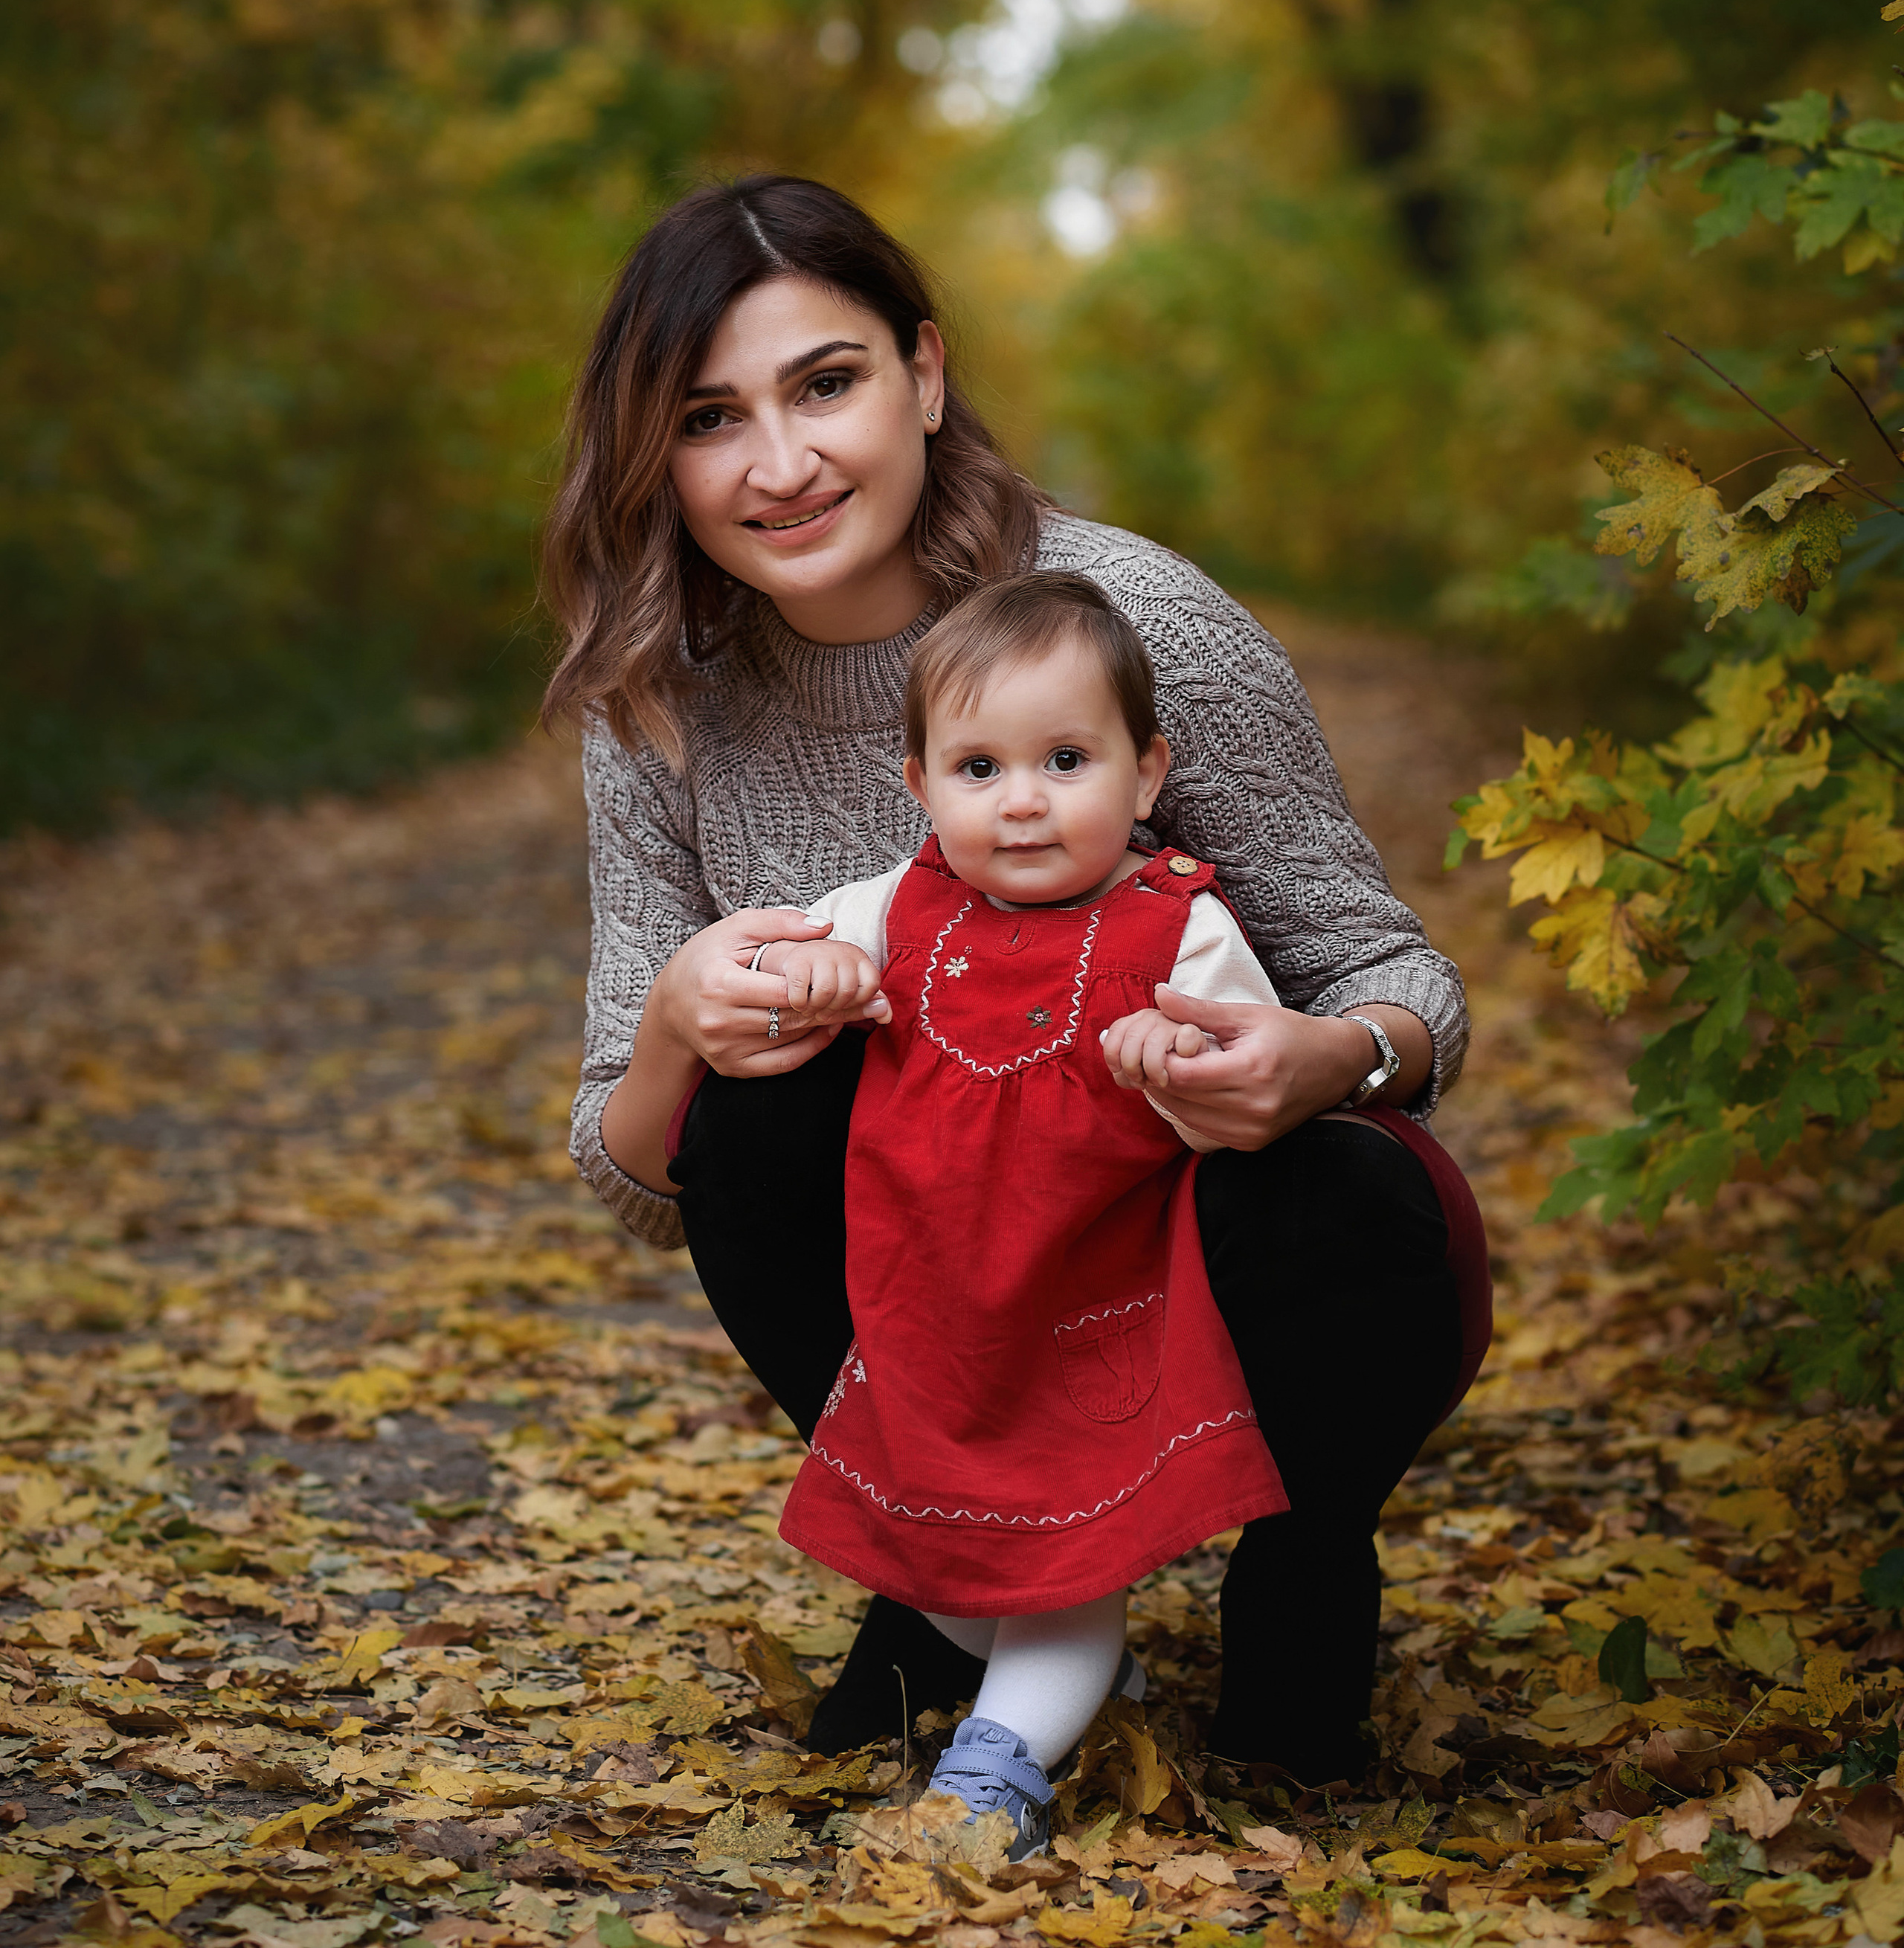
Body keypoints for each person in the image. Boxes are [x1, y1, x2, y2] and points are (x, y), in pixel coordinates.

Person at [544, 173, 1489, 1787]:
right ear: (657, 457)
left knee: (1353, 1196)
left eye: (824, 384)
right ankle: (946, 1566)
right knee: (754, 1117)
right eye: (710, 418)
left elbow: (1400, 981)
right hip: (946, 1261)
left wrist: (1330, 1056)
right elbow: (637, 1178)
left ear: (921, 373)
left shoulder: (1137, 624)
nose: (779, 466)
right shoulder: (661, 702)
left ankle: (1306, 1562)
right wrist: (666, 1029)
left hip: (1175, 1212)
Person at [753, 569, 1296, 1858]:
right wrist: (811, 968)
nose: (1027, 798)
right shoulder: (895, 910)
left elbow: (1260, 1064)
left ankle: (992, 1779)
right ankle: (1083, 1694)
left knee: (1060, 1570)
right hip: (932, 1313)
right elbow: (766, 962)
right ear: (923, 788)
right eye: (980, 766)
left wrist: (1189, 1052)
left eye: (1067, 757)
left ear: (1146, 771)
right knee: (937, 1565)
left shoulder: (1180, 928)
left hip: (1094, 1311)